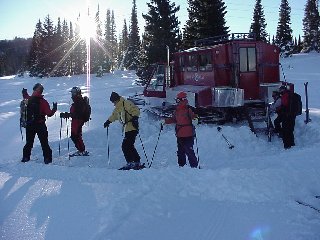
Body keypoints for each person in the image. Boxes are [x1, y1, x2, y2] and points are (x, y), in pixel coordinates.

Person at [103, 92, 141, 169]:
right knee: (129, 145)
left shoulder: (125, 103)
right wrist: (108, 121)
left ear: (117, 99)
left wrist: (135, 117)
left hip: (132, 127)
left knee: (125, 146)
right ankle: (136, 162)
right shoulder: (118, 107)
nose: (113, 103)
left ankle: (130, 163)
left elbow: (135, 109)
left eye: (113, 101)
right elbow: (114, 116)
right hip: (127, 128)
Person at [21, 83, 57, 164]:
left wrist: (24, 92)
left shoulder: (28, 99)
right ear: (41, 91)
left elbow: (25, 96)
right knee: (44, 142)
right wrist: (54, 109)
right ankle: (47, 159)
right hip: (40, 125)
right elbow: (49, 114)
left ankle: (26, 157)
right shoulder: (43, 102)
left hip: (29, 124)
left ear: (34, 89)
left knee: (29, 142)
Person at [162, 91, 198, 168]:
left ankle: (194, 166)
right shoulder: (177, 110)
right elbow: (174, 119)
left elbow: (194, 117)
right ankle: (182, 166)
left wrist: (195, 119)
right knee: (181, 151)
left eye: (178, 100)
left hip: (188, 134)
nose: (177, 101)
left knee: (189, 150)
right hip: (180, 134)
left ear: (182, 99)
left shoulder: (189, 109)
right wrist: (165, 121)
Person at [60, 87, 89, 156]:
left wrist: (67, 115)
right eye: (72, 92)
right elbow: (75, 113)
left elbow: (78, 113)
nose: (72, 94)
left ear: (77, 93)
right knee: (75, 135)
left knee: (75, 136)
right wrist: (67, 115)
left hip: (78, 121)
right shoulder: (77, 101)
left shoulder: (79, 101)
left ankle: (82, 150)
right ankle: (81, 150)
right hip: (76, 121)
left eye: (73, 92)